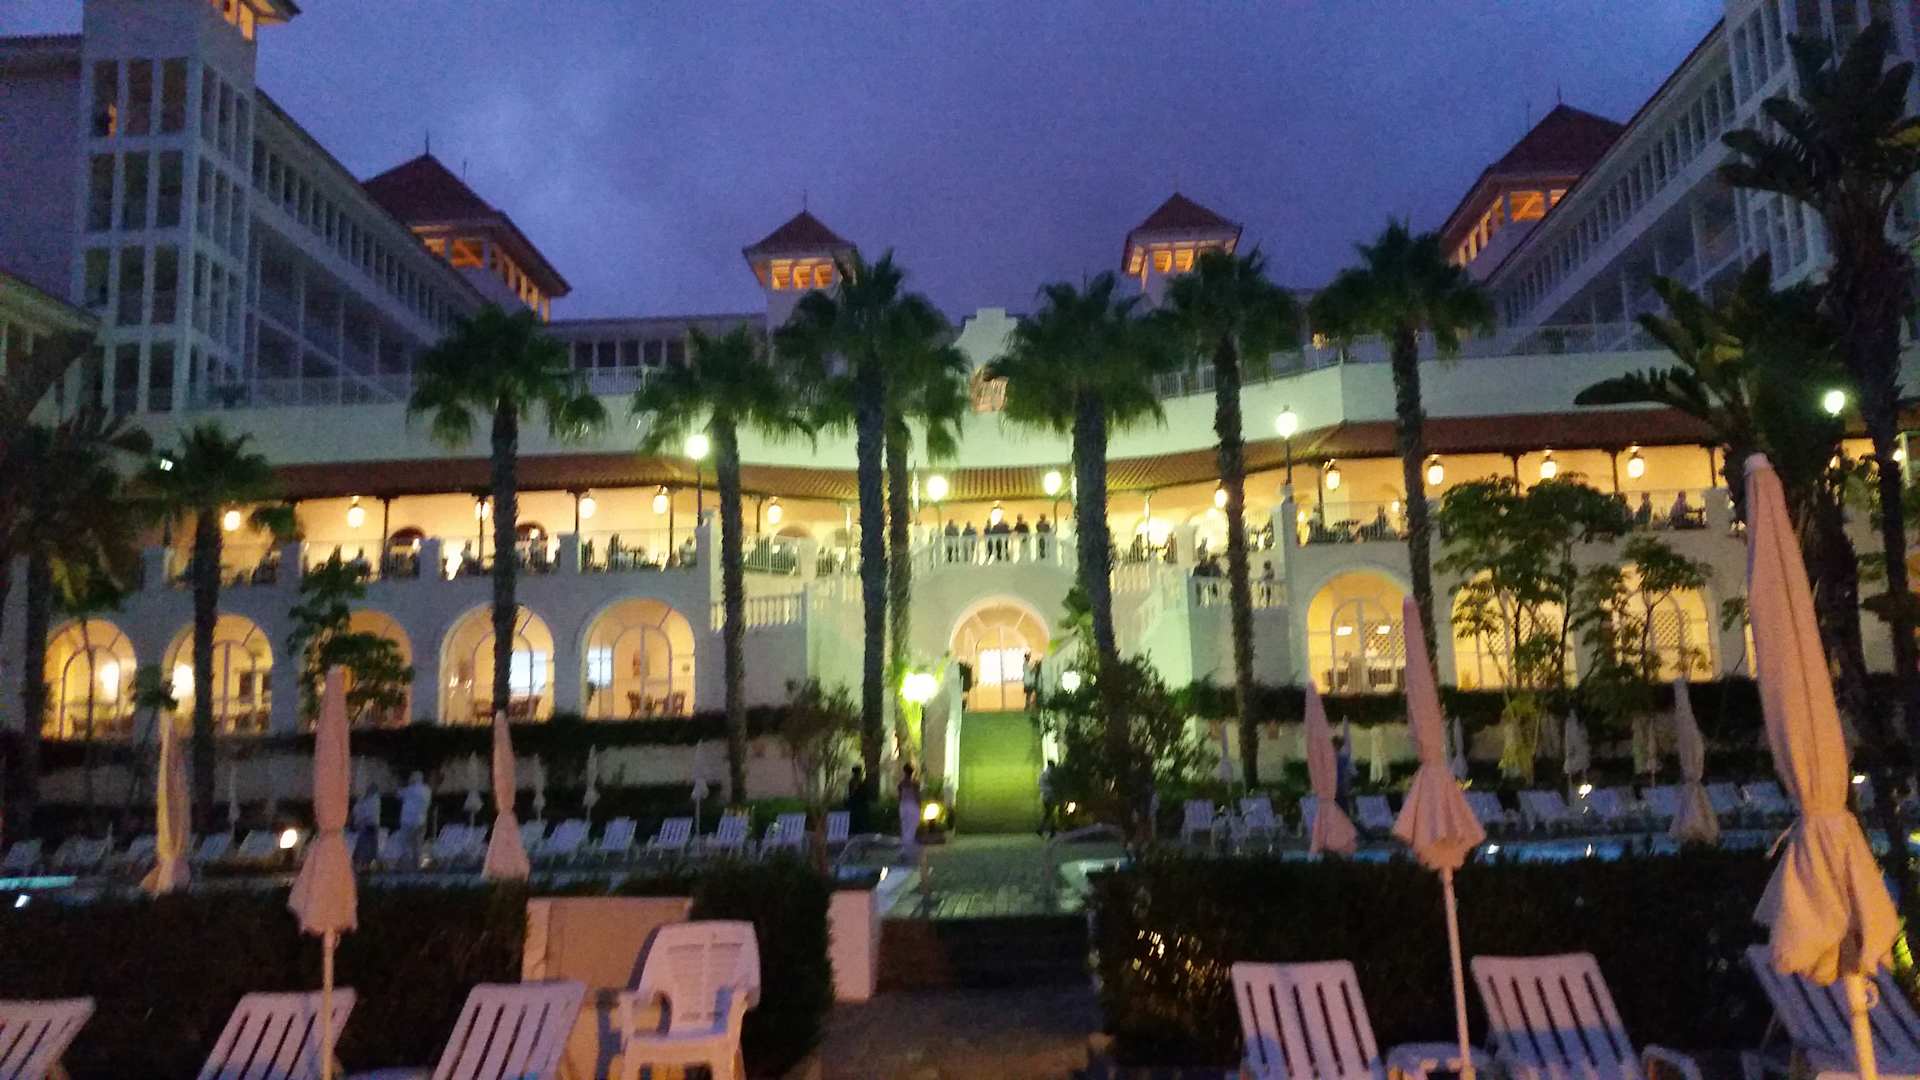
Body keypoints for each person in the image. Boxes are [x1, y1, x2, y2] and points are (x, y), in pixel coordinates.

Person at [398, 770, 433, 867]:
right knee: (418, 844)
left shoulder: (409, 789)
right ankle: (418, 864)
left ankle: (406, 865)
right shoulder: (427, 790)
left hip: (408, 821)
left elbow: (398, 794)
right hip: (421, 820)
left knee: (405, 844)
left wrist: (403, 784)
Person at [350, 780, 383, 863]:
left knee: (364, 844)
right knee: (371, 844)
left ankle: (362, 860)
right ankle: (371, 860)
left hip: (366, 825)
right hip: (372, 825)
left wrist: (357, 822)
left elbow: (361, 812)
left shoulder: (368, 800)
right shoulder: (374, 800)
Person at [897, 764, 923, 848]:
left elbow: (899, 797)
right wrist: (920, 806)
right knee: (912, 826)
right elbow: (917, 796)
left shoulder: (901, 784)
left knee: (904, 826)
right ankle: (908, 845)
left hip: (903, 806)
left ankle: (905, 845)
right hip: (912, 806)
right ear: (912, 772)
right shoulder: (915, 784)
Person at [846, 766, 873, 836]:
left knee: (862, 821)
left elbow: (865, 792)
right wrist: (856, 787)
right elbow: (852, 793)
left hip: (862, 805)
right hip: (856, 805)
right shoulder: (853, 782)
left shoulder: (860, 782)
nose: (859, 774)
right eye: (858, 773)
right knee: (856, 821)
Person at [1038, 758, 1061, 838]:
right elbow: (1054, 783)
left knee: (1049, 813)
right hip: (1050, 796)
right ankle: (1049, 829)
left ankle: (1051, 829)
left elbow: (1040, 784)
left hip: (1044, 796)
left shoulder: (1043, 773)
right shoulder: (1051, 773)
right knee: (1049, 813)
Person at [1332, 735, 1354, 815]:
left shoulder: (1332, 758)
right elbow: (1350, 773)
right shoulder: (1344, 757)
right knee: (1343, 810)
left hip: (1336, 788)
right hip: (1342, 787)